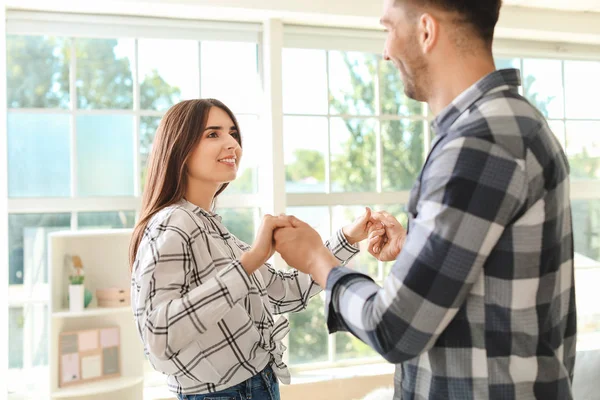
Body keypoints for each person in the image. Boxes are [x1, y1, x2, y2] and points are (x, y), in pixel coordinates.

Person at [273, 0, 577, 399]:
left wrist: (318, 261)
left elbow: (393, 328)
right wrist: (417, 249)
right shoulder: (510, 123)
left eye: (388, 28)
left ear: (426, 31)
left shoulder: (480, 142)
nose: (385, 51)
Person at [129, 98, 379, 400]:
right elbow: (158, 336)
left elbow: (286, 292)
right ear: (179, 147)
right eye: (213, 134)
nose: (232, 143)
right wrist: (249, 262)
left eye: (233, 133)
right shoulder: (173, 223)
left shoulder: (212, 229)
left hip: (256, 385)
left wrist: (349, 238)